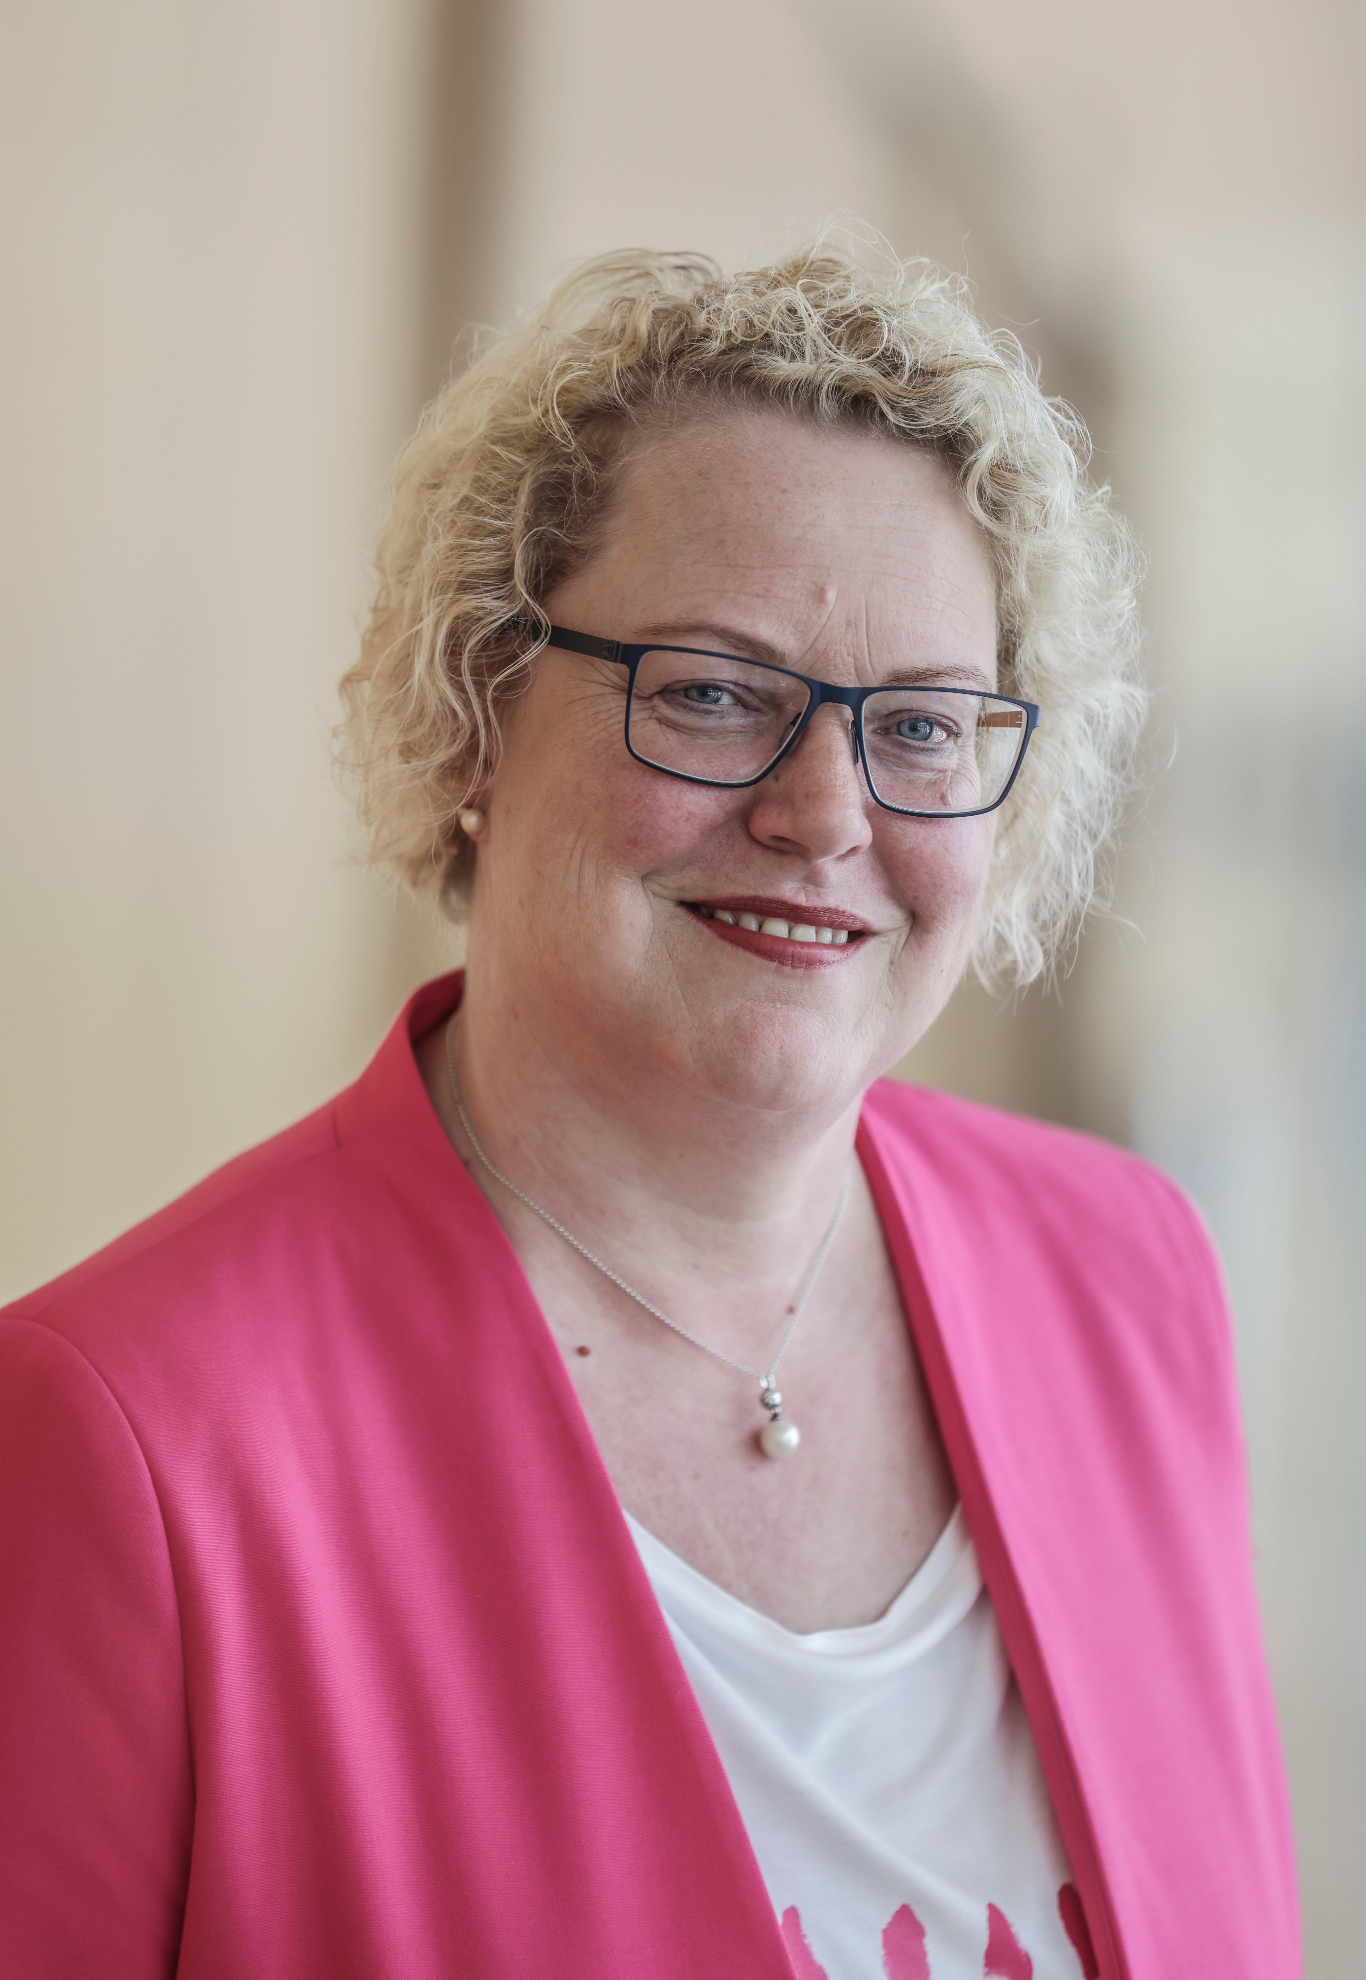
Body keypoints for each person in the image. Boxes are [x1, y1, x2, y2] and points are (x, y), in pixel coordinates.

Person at [0, 243, 1298, 1980]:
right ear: (476, 713)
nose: (824, 813)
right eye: (709, 691)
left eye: (922, 726)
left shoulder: (1125, 1277)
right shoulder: (128, 1438)